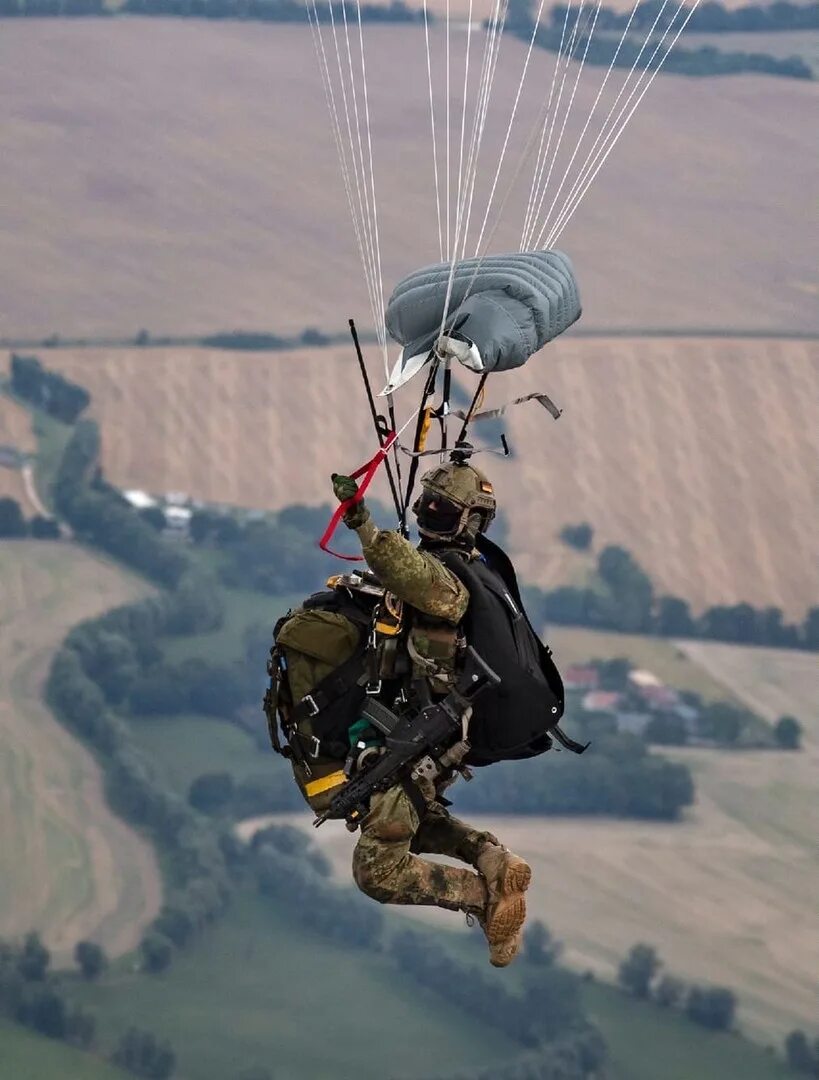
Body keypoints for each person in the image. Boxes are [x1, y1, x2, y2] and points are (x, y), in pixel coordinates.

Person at [330, 457, 534, 967]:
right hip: (424, 728)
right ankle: (493, 859)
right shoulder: (469, 575)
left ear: (470, 523)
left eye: (442, 512)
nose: (429, 516)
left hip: (426, 734)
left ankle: (484, 899)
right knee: (415, 821)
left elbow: (404, 570)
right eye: (428, 506)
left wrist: (361, 520)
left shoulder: (450, 583)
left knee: (377, 870)